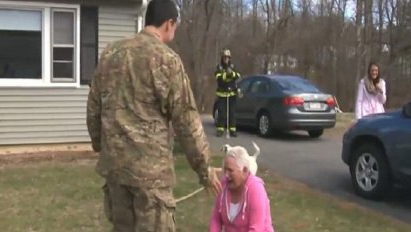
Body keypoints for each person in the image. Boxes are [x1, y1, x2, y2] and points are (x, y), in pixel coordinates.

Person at [86, 0, 221, 231]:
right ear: (169, 24)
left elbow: (94, 110)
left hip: (116, 173)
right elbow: (187, 122)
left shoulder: (110, 54)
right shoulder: (166, 61)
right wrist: (204, 170)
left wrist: (102, 145)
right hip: (151, 179)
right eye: (175, 26)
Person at [210, 145, 274, 232]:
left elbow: (256, 229)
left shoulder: (256, 189)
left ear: (245, 170)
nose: (226, 175)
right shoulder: (224, 184)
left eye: (230, 170)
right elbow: (216, 219)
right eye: (225, 170)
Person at [215, 49, 241, 137]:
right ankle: (220, 129)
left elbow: (238, 76)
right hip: (222, 94)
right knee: (222, 112)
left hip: (232, 94)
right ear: (222, 58)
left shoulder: (233, 66)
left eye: (227, 57)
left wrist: (232, 74)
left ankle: (232, 130)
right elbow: (219, 78)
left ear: (230, 58)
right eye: (224, 57)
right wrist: (227, 74)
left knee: (232, 112)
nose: (226, 59)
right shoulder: (219, 67)